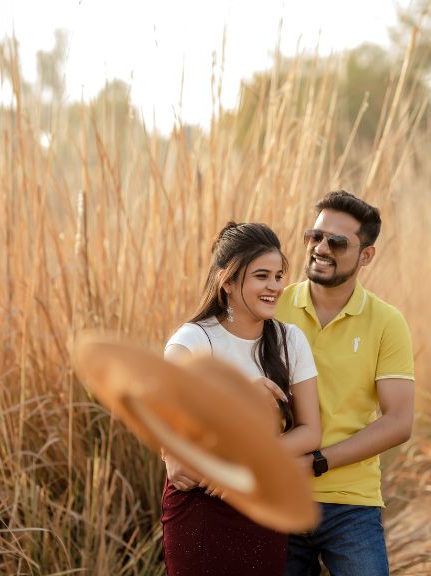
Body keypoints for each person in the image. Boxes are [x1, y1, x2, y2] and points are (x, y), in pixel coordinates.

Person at [161, 222, 322, 576]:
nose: (275, 287)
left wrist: (249, 460)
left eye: (279, 276)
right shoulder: (192, 341)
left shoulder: (290, 341)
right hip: (200, 505)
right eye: (261, 276)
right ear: (228, 281)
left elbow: (311, 432)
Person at [276, 190, 415, 576]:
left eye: (336, 242)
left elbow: (399, 421)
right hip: (279, 496)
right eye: (314, 236)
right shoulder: (274, 307)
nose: (321, 248)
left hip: (351, 502)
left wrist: (318, 463)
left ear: (366, 255)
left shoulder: (387, 322)